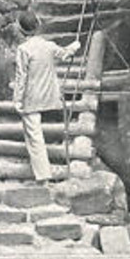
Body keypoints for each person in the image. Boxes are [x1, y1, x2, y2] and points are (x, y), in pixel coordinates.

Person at [12, 10, 80, 185]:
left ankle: (43, 178)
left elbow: (21, 78)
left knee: (34, 137)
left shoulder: (23, 49)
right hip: (50, 96)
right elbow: (65, 54)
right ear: (38, 26)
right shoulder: (49, 45)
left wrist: (17, 100)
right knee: (37, 133)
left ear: (21, 30)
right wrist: (75, 46)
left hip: (32, 99)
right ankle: (46, 174)